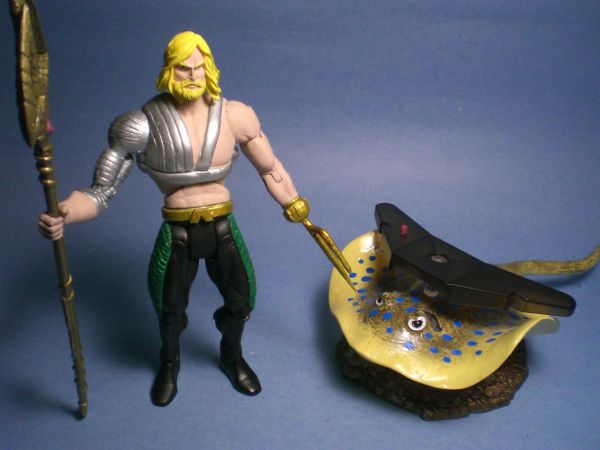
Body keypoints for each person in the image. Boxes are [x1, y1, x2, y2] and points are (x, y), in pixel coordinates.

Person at [38, 31, 311, 407]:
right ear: (170, 70)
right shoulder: (141, 124)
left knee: (242, 302)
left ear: (210, 68)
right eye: (184, 68)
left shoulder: (235, 115)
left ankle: (231, 357)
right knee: (169, 311)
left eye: (200, 66)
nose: (193, 75)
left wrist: (294, 204)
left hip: (222, 227)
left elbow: (271, 168)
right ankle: (169, 362)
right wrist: (65, 212)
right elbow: (100, 192)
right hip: (178, 231)